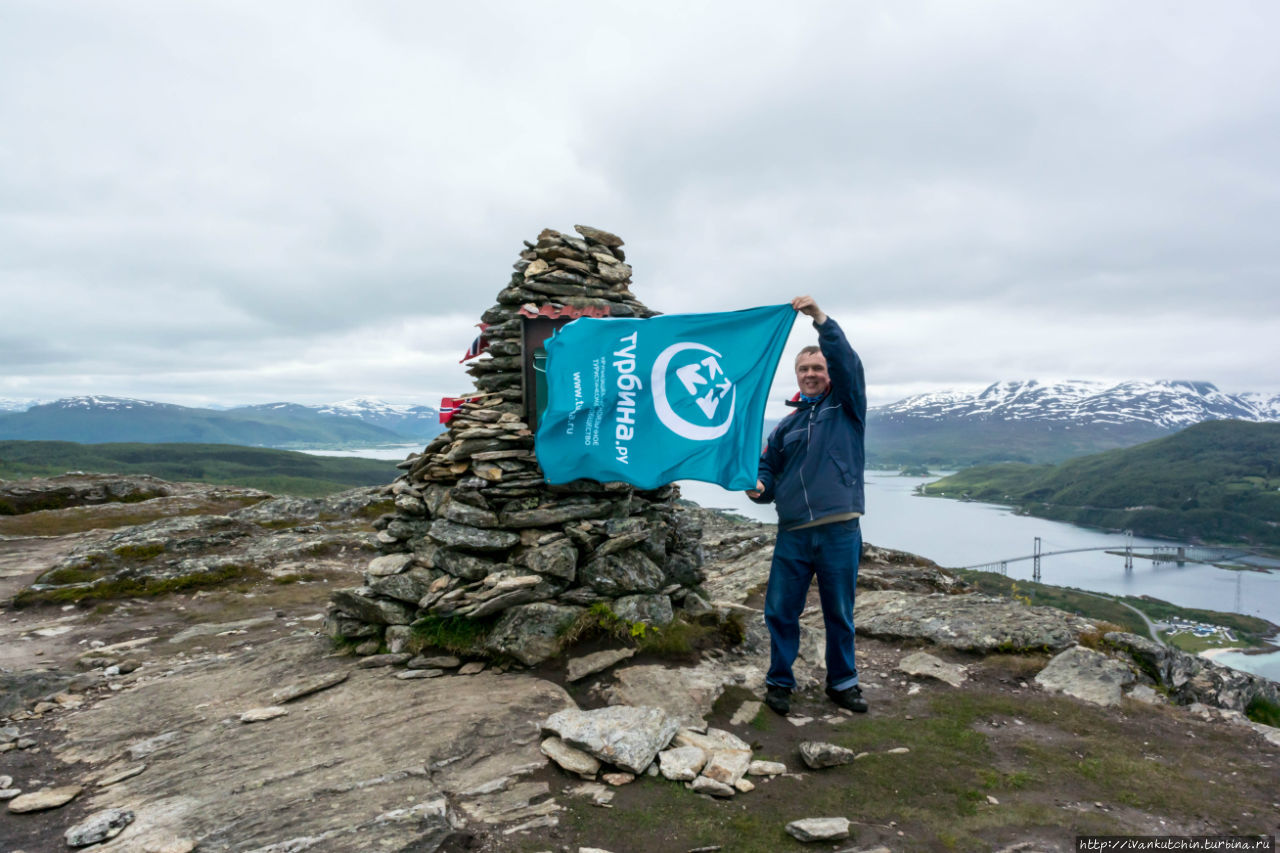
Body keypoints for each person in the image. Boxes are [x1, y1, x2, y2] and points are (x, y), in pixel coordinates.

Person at [747, 295, 868, 715]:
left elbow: (848, 362)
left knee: (839, 611)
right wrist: (759, 485)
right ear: (796, 376)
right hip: (794, 533)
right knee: (781, 610)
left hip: (839, 530)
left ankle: (844, 683)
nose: (812, 374)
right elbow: (768, 469)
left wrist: (820, 320)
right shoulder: (786, 425)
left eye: (818, 368)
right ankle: (780, 681)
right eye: (804, 369)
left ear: (828, 372)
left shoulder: (847, 406)